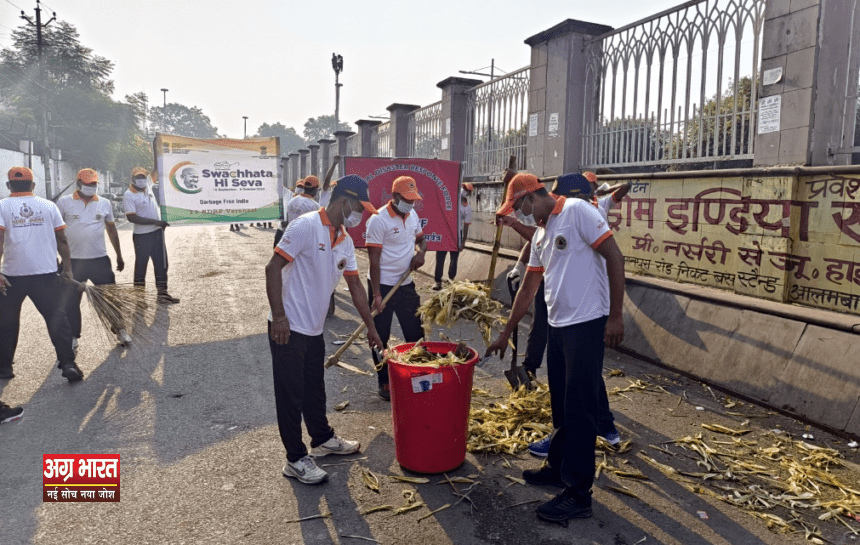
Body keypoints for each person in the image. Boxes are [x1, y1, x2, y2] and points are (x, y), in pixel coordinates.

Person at [486, 172, 625, 525]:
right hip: (560, 328)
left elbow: (614, 256)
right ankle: (557, 467)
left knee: (580, 410)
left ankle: (579, 495)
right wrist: (506, 332)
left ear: (532, 197)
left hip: (588, 323)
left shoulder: (578, 211)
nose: (522, 213)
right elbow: (529, 287)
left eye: (520, 206)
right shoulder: (543, 233)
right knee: (561, 404)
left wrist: (615, 317)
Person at [265, 174, 383, 485]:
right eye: (359, 208)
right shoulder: (306, 225)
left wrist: (370, 327)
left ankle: (322, 439)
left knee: (314, 389)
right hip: (288, 327)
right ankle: (295, 458)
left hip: (314, 329)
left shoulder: (343, 238)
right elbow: (273, 268)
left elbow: (355, 284)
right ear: (345, 202)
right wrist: (279, 317)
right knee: (290, 395)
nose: (361, 215)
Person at [0, 167, 83, 382]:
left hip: (11, 276)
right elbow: (62, 240)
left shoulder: (2, 206)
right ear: (33, 185)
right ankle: (68, 363)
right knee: (57, 319)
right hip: (45, 274)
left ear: (8, 185)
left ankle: (4, 368)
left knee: (7, 322)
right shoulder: (48, 206)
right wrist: (67, 270)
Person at [366, 176, 427, 401]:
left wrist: (421, 253)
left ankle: (418, 375)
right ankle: (384, 382)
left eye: (413, 199)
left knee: (415, 332)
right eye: (406, 199)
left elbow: (422, 240)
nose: (411, 204)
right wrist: (376, 295)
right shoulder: (378, 221)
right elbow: (373, 261)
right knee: (379, 337)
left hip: (405, 284)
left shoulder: (413, 216)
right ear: (394, 197)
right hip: (381, 285)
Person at [56, 168, 131, 349]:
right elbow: (55, 232)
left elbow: (111, 229)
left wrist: (119, 255)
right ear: (79, 183)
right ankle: (73, 336)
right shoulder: (64, 203)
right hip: (72, 262)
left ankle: (120, 329)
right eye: (88, 184)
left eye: (94, 184)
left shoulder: (104, 203)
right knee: (70, 302)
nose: (92, 187)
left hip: (99, 259)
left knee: (110, 297)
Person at [123, 167, 179, 304]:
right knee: (141, 266)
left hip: (157, 233)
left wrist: (158, 146)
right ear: (133, 179)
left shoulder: (148, 185)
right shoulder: (129, 194)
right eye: (138, 177)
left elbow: (157, 168)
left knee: (162, 264)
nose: (141, 180)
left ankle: (162, 294)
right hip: (142, 236)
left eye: (143, 177)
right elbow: (132, 218)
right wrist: (156, 222)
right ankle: (139, 298)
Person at [432, 182, 472, 290]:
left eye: (466, 190)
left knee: (454, 258)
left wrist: (463, 241)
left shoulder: (467, 209)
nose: (463, 191)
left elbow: (466, 225)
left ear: (469, 193)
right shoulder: (451, 200)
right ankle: (438, 281)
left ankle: (451, 279)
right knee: (440, 257)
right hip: (445, 232)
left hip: (457, 234)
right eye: (463, 188)